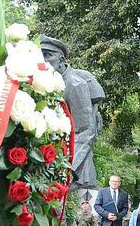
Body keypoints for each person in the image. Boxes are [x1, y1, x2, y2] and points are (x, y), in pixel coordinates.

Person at [39, 37, 105, 188]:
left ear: (61, 59)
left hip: (73, 170)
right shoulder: (42, 83)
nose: (43, 60)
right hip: (48, 162)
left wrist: (67, 169)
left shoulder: (75, 84)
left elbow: (85, 131)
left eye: (48, 55)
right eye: (40, 55)